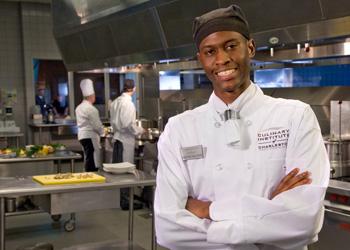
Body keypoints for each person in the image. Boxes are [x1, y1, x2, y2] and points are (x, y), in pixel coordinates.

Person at [154, 4, 330, 250]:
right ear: (200, 59)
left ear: (250, 47)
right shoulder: (179, 129)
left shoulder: (295, 116)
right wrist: (268, 212)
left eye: (230, 46)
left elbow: (304, 220)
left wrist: (208, 210)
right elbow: (168, 230)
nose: (222, 59)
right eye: (210, 51)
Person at [110, 79, 144, 209]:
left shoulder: (115, 102)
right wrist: (140, 130)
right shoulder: (128, 104)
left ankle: (121, 199)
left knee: (119, 171)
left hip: (118, 139)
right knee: (125, 171)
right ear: (133, 89)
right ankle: (125, 202)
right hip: (125, 140)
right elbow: (128, 125)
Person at [75, 79, 104, 172]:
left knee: (87, 157)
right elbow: (97, 125)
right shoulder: (91, 109)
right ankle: (91, 178)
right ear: (91, 96)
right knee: (92, 159)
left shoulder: (78, 107)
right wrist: (103, 132)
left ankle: (88, 177)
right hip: (90, 136)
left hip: (82, 136)